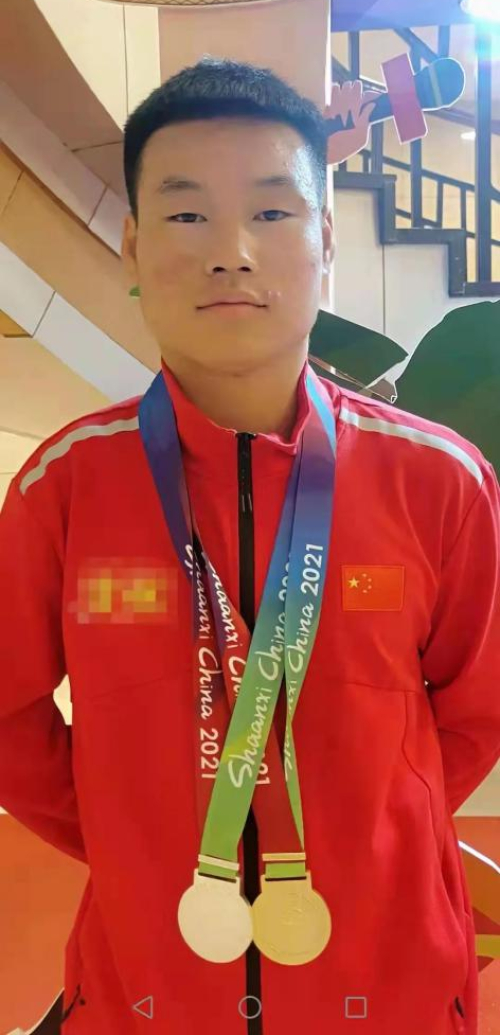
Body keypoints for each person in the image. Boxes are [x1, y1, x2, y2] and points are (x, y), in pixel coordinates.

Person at [0, 56, 499, 1035]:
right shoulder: (66, 486)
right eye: (186, 214)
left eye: (272, 212)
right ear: (133, 246)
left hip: (388, 992)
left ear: (326, 241)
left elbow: (477, 709)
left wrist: (365, 829)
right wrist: (138, 839)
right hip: (148, 995)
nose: (230, 252)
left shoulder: (437, 479)